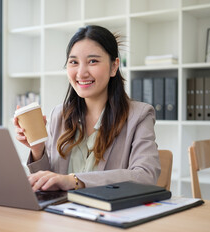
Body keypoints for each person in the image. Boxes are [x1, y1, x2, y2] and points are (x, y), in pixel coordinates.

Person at [14, 25, 160, 192]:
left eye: (93, 61)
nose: (81, 73)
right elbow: (51, 181)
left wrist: (75, 181)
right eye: (74, 62)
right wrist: (37, 149)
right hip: (62, 214)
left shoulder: (139, 115)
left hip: (108, 214)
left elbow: (146, 176)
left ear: (114, 67)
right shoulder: (59, 115)